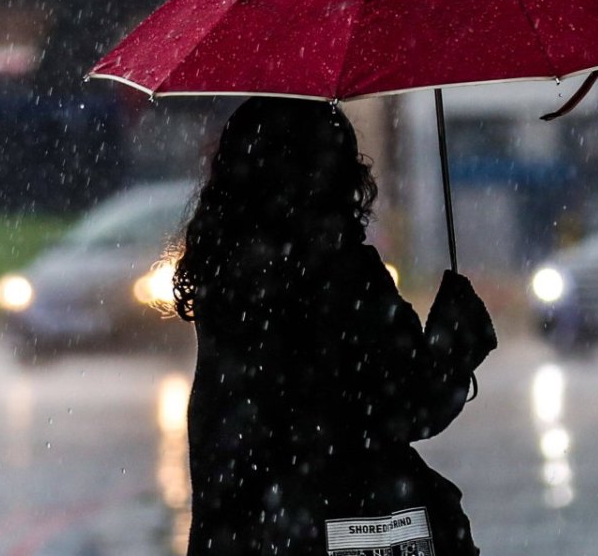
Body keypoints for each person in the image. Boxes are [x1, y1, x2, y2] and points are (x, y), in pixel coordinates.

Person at [173, 97, 497, 556]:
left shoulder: (223, 282)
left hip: (243, 536)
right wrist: (456, 336)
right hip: (341, 535)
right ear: (336, 172)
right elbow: (412, 406)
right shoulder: (345, 274)